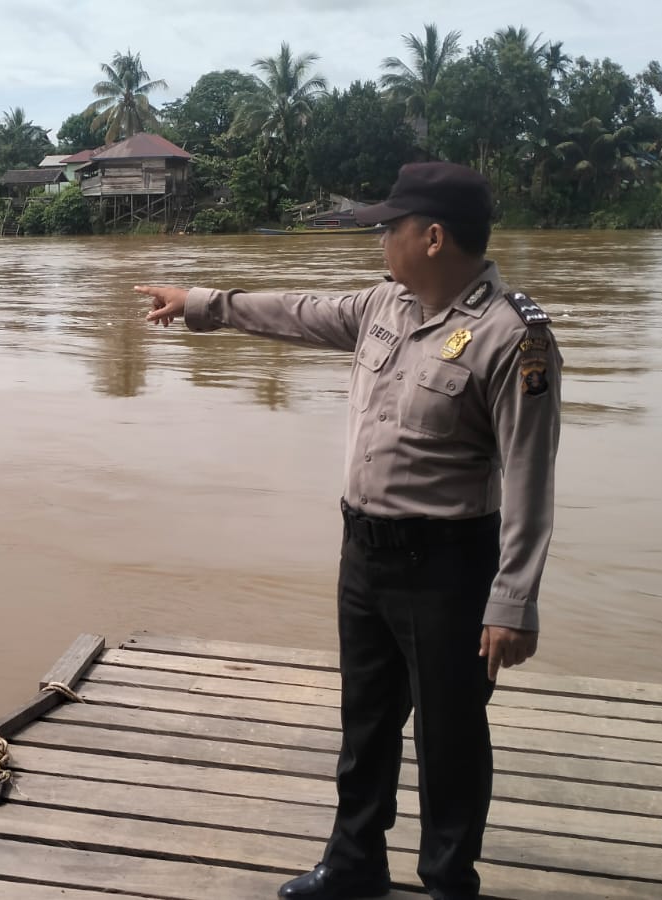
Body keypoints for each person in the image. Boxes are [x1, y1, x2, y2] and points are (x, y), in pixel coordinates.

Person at [136, 162, 562, 900]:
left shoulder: (511, 337)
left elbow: (530, 476)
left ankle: (447, 882)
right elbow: (296, 311)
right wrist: (201, 303)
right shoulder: (383, 305)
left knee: (449, 735)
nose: (380, 241)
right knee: (365, 721)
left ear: (433, 237)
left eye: (389, 228)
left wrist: (513, 601)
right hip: (364, 554)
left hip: (449, 567)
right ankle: (355, 864)